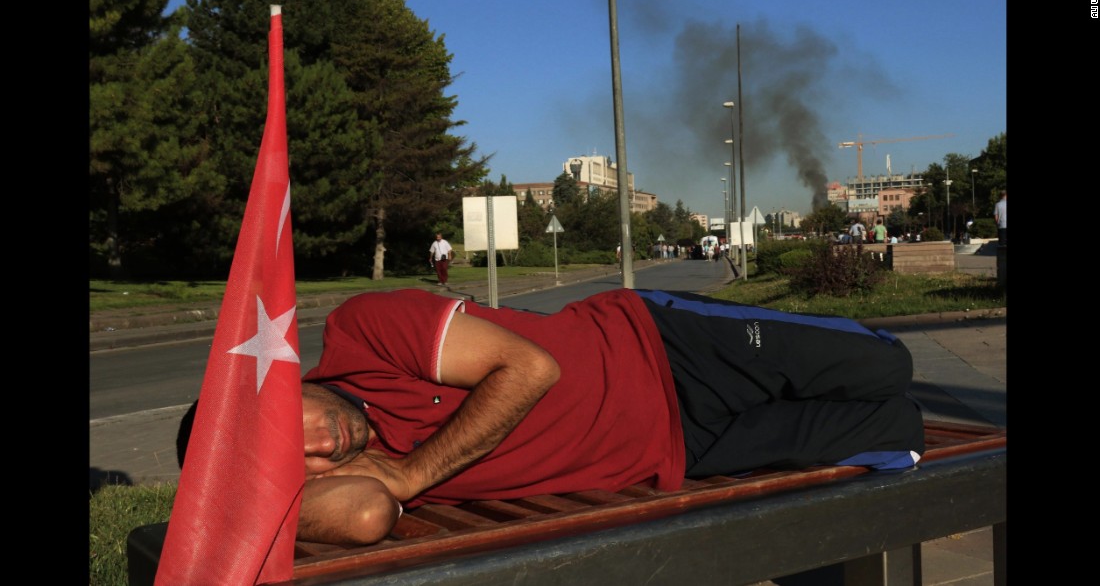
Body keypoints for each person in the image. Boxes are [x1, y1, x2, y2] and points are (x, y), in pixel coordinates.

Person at [178, 288, 925, 546]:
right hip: (678, 449)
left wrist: (412, 470)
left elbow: (531, 367)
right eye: (294, 463)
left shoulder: (363, 331)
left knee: (888, 367)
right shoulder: (347, 478)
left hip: (663, 345)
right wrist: (265, 497)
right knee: (898, 432)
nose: (320, 443)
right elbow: (369, 515)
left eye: (288, 420)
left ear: (283, 381)